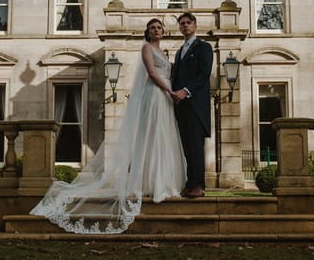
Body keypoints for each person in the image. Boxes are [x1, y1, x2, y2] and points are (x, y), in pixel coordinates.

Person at [30, 18, 186, 234]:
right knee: (153, 135)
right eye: (152, 28)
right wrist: (169, 92)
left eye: (159, 27)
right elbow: (151, 73)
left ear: (163, 31)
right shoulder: (146, 48)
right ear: (147, 32)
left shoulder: (166, 52)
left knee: (164, 137)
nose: (156, 30)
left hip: (166, 96)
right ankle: (152, 185)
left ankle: (163, 183)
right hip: (156, 94)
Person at [171, 12, 213, 198]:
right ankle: (189, 183)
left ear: (195, 25)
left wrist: (185, 90)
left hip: (196, 103)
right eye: (182, 23)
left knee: (196, 145)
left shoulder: (204, 47)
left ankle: (199, 185)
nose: (185, 26)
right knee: (186, 146)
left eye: (188, 23)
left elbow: (204, 75)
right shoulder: (180, 51)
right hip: (181, 105)